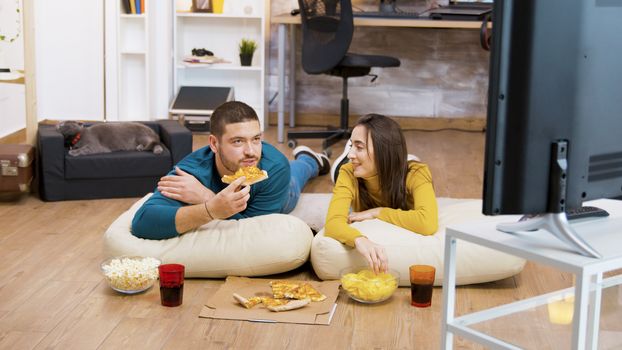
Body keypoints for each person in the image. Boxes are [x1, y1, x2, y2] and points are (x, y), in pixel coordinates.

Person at [131, 101, 330, 239]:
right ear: (214, 144)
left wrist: (206, 199)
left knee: (295, 179)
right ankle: (308, 159)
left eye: (256, 139)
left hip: (280, 193)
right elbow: (143, 222)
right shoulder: (191, 172)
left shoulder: (274, 167)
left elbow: (253, 232)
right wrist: (211, 209)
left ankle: (310, 161)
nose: (251, 152)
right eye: (238, 141)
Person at [324, 114, 439, 273]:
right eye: (352, 146)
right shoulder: (348, 172)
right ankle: (347, 153)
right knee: (339, 170)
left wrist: (377, 212)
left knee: (402, 166)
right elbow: (333, 223)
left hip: (394, 167)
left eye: (359, 147)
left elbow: (427, 223)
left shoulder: (417, 172)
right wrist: (359, 240)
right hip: (356, 170)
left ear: (383, 151)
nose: (352, 154)